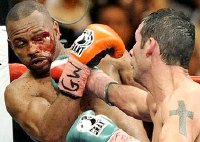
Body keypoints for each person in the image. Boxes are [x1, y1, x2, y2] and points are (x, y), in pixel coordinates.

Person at [4, 1, 149, 141]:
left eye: (40, 38)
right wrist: (77, 69)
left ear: (56, 30)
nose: (33, 50)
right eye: (21, 43)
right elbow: (51, 136)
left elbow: (159, 103)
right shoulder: (19, 91)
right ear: (11, 46)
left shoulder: (108, 59)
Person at [69, 8, 199, 141]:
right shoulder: (166, 98)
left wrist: (116, 138)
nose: (131, 51)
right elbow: (133, 102)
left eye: (137, 42)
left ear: (150, 46)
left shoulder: (180, 104)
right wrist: (90, 77)